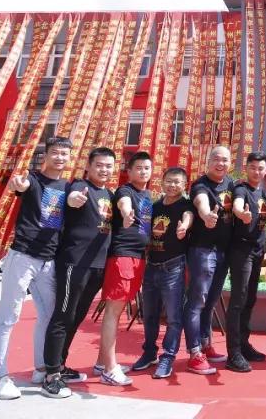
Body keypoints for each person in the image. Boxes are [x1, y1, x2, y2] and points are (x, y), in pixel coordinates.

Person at [0, 135, 70, 400]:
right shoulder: (33, 180)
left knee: (48, 316)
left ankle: (41, 368)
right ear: (45, 156)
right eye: (55, 152)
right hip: (23, 256)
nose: (60, 157)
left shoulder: (67, 187)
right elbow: (19, 185)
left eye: (64, 153)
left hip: (49, 260)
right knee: (8, 316)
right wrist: (18, 184)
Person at [40, 146, 117, 399]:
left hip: (97, 266)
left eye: (108, 166)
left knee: (76, 317)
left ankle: (60, 365)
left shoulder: (108, 194)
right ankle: (50, 375)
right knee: (63, 316)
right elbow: (72, 198)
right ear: (88, 166)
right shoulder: (80, 186)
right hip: (75, 263)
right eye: (99, 165)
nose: (104, 170)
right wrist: (73, 200)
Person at [96, 150, 154, 386]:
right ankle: (110, 369)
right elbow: (124, 204)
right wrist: (127, 213)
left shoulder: (147, 195)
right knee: (114, 311)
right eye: (138, 168)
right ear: (129, 171)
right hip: (123, 257)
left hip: (138, 257)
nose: (143, 172)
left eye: (147, 168)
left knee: (117, 311)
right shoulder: (125, 191)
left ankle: (101, 362)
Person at [131, 166, 193, 380]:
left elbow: (188, 216)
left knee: (174, 317)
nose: (172, 185)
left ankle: (168, 356)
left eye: (177, 182)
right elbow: (144, 230)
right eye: (169, 181)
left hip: (173, 266)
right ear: (162, 182)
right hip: (152, 266)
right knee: (149, 314)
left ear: (184, 185)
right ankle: (149, 352)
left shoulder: (186, 205)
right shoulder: (155, 206)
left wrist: (184, 227)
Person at [184, 145, 235, 375]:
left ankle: (205, 344)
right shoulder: (200, 185)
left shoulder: (231, 184)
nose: (220, 163)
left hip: (223, 252)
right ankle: (194, 353)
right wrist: (206, 216)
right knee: (197, 301)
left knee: (211, 301)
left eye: (225, 160)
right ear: (208, 161)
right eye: (216, 159)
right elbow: (201, 202)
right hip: (203, 251)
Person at [225, 152, 266, 372]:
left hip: (258, 250)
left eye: (261, 168)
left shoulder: (263, 192)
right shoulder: (241, 188)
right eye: (253, 167)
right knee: (238, 299)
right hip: (241, 250)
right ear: (246, 168)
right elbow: (237, 205)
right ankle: (233, 353)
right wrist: (240, 213)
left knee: (250, 299)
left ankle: (244, 344)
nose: (257, 172)